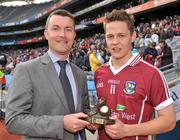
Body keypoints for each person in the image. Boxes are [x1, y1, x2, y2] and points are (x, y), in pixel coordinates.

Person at [5, 9, 90, 140]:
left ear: (74, 34)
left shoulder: (80, 74)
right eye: (56, 28)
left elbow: (84, 112)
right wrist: (60, 123)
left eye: (68, 29)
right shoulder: (26, 70)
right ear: (46, 34)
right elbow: (13, 121)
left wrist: (94, 120)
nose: (62, 34)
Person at [94, 9, 176, 140]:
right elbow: (104, 111)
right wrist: (95, 122)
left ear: (133, 36)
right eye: (110, 36)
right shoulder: (99, 73)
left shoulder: (152, 74)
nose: (115, 42)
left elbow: (169, 120)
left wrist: (126, 130)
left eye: (121, 35)